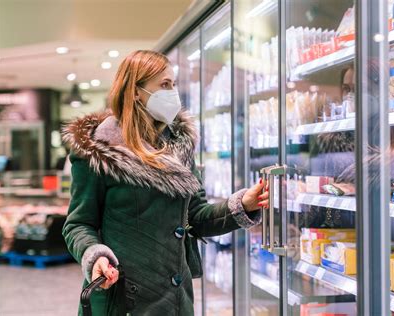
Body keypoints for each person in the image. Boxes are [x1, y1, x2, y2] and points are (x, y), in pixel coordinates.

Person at [61, 50, 268, 315]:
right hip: (124, 298)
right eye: (164, 85)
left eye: (174, 84)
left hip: (176, 300)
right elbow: (79, 224)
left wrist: (241, 205)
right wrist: (95, 255)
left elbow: (196, 216)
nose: (173, 93)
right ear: (136, 91)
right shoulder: (99, 151)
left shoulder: (179, 146)